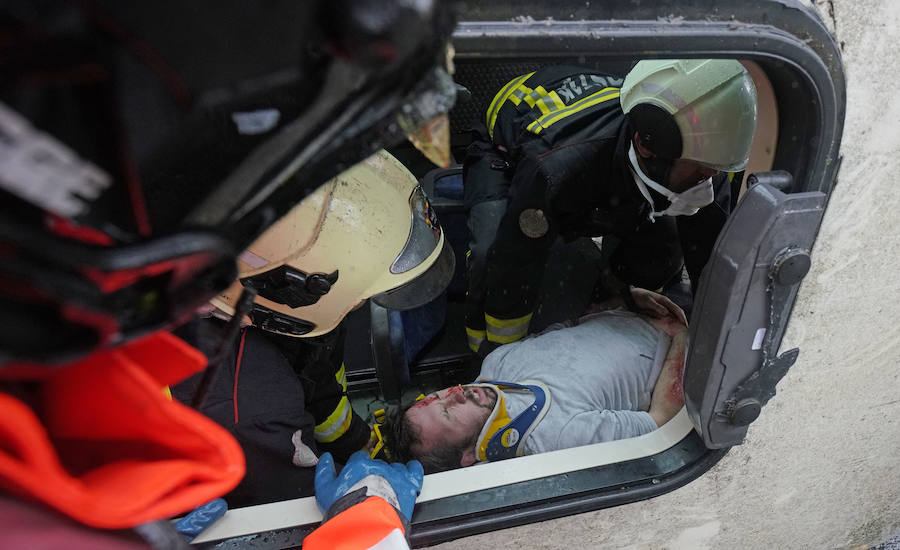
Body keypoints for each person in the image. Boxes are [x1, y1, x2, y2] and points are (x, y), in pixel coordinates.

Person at [0, 0, 455, 546]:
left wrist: (354, 440)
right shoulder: (253, 408)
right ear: (291, 284)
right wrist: (368, 517)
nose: (357, 310)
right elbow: (281, 504)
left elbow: (323, 384)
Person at [464, 59, 758, 354]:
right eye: (701, 171)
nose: (710, 180)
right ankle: (481, 349)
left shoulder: (709, 153)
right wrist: (504, 357)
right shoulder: (556, 168)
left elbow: (710, 260)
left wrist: (716, 341)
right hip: (506, 143)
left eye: (715, 171)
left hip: (610, 159)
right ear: (646, 147)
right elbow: (515, 261)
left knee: (663, 249)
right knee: (489, 252)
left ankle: (608, 298)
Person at [382, 290, 688, 473]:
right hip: (681, 341)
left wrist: (626, 300)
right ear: (468, 456)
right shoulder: (556, 436)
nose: (455, 393)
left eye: (437, 397)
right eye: (448, 412)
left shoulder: (496, 363)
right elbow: (661, 420)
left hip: (643, 307)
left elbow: (570, 328)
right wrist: (682, 336)